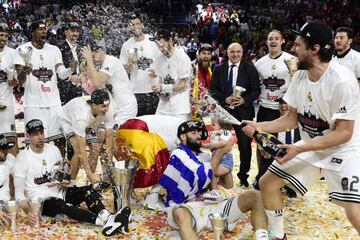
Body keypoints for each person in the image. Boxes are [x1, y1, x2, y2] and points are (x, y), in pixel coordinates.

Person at [242, 22, 360, 239]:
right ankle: (278, 234)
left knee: (354, 212)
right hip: (312, 148)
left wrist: (300, 148)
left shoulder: (342, 80)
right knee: (267, 182)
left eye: (298, 45)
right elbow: (290, 119)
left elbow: (344, 133)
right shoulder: (299, 76)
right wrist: (257, 126)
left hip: (345, 151)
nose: (293, 50)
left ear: (314, 49)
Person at [13, 119, 131, 236]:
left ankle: (108, 217)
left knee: (86, 190)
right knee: (60, 205)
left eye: (41, 133)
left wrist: (65, 181)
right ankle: (104, 223)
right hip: (41, 202)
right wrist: (28, 211)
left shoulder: (53, 150)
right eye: (35, 134)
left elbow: (62, 176)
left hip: (60, 192)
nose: (40, 137)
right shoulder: (22, 158)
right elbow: (19, 195)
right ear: (28, 136)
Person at [159, 120, 268, 240]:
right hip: (187, 208)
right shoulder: (178, 153)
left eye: (199, 133)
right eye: (194, 133)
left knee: (256, 196)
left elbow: (228, 184)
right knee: (180, 213)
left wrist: (227, 155)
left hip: (211, 206)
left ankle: (262, 237)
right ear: (183, 137)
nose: (199, 135)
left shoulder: (203, 156)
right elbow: (200, 176)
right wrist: (220, 152)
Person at [17, 20, 75, 149]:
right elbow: (19, 81)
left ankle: (60, 167)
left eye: (45, 29)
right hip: (33, 104)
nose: (44, 32)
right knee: (35, 142)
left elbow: (61, 74)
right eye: (40, 29)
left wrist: (70, 69)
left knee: (59, 140)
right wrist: (24, 72)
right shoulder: (22, 50)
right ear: (32, 32)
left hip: (53, 102)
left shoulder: (54, 50)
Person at [210, 42, 261, 187]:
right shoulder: (219, 68)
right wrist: (225, 98)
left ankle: (243, 177)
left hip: (243, 112)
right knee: (217, 143)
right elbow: (213, 90)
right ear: (227, 52)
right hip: (223, 112)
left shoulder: (250, 68)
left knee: (245, 146)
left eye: (238, 51)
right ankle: (216, 173)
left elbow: (256, 90)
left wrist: (244, 99)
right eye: (232, 52)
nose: (235, 54)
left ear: (242, 52)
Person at [253, 30, 295, 189]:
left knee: (286, 146)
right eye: (270, 38)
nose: (273, 41)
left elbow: (298, 83)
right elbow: (255, 85)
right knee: (262, 145)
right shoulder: (260, 63)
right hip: (265, 108)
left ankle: (287, 183)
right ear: (266, 41)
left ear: (282, 41)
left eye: (277, 38)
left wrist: (287, 99)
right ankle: (261, 177)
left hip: (285, 110)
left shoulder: (291, 60)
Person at [59, 89, 114, 184]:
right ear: (94, 105)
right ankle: (72, 183)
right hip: (67, 120)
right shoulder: (82, 116)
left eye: (107, 106)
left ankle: (89, 183)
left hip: (88, 122)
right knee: (77, 150)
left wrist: (109, 164)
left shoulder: (109, 110)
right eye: (103, 106)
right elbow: (81, 150)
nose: (106, 109)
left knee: (95, 147)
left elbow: (109, 137)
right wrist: (89, 173)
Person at [82, 43, 138, 125]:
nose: (93, 60)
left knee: (117, 135)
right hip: (113, 108)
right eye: (91, 57)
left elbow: (98, 82)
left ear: (100, 51)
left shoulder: (111, 60)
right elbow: (92, 83)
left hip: (125, 107)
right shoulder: (97, 66)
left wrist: (89, 60)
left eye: (93, 56)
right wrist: (88, 61)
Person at [119, 14, 161, 116]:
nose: (136, 27)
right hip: (135, 91)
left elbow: (163, 61)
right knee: (138, 124)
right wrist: (129, 63)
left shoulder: (153, 41)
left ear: (142, 25)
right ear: (130, 27)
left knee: (153, 124)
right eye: (133, 25)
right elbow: (123, 71)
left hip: (153, 90)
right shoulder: (126, 45)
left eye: (138, 24)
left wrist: (157, 72)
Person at [149, 29, 192, 121]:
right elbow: (161, 81)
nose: (160, 48)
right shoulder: (159, 58)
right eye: (158, 45)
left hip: (179, 108)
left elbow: (183, 84)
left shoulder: (182, 57)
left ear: (171, 41)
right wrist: (159, 90)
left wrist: (164, 88)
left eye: (162, 44)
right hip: (163, 106)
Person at [0, 22, 22, 156]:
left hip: (6, 102)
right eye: (0, 35)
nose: (3, 38)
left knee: (11, 140)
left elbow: (15, 82)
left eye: (5, 35)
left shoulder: (13, 53)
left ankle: (15, 175)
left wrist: (14, 81)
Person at [201, 116, 233, 190]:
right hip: (218, 159)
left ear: (222, 125)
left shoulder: (225, 132)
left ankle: (214, 191)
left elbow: (223, 143)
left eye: (213, 124)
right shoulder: (216, 133)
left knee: (212, 173)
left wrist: (208, 146)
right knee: (212, 173)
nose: (211, 126)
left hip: (225, 161)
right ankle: (214, 189)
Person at [56, 21, 83, 105]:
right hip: (64, 90)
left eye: (77, 31)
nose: (75, 33)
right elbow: (54, 71)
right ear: (65, 32)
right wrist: (70, 78)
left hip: (78, 89)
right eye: (72, 31)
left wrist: (83, 74)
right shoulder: (58, 48)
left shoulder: (80, 48)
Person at [190, 43, 213, 120]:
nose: (206, 56)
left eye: (208, 54)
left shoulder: (210, 69)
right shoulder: (191, 67)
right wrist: (189, 97)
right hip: (191, 108)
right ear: (198, 54)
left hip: (205, 108)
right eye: (203, 53)